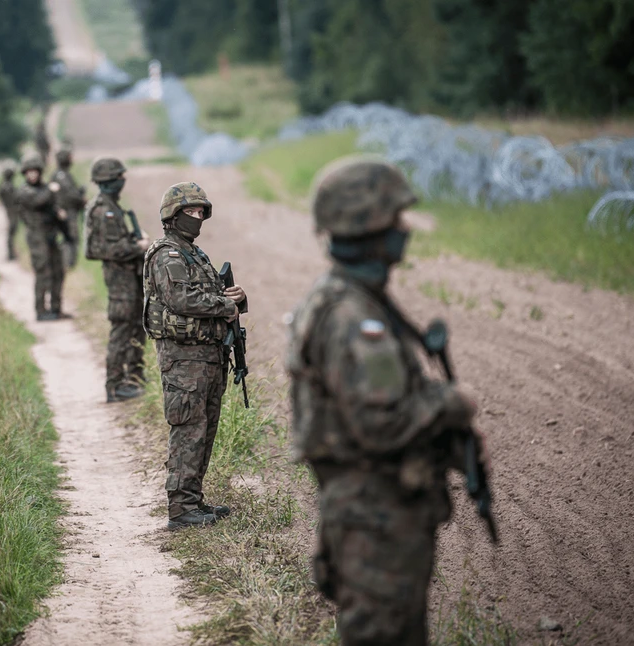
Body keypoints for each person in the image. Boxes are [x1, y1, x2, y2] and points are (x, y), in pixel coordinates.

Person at [285, 156, 484, 645]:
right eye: (395, 221)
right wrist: (451, 403)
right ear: (370, 229)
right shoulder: (355, 317)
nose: (403, 232)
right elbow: (383, 424)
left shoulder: (346, 296)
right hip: (375, 519)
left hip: (370, 514)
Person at [143, 182, 247, 530]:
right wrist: (225, 305)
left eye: (202, 211)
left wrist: (235, 297)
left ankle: (193, 500)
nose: (198, 217)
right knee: (188, 428)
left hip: (207, 356)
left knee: (205, 428)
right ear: (173, 216)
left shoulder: (193, 253)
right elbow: (181, 301)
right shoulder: (167, 255)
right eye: (191, 211)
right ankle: (181, 509)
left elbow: (212, 295)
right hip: (184, 359)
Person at [84, 157, 149, 403]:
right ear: (109, 181)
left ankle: (133, 378)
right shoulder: (103, 211)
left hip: (129, 279)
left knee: (134, 326)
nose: (123, 181)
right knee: (121, 329)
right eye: (119, 177)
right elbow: (100, 249)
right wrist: (137, 246)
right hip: (120, 281)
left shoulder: (113, 206)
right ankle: (114, 386)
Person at [15, 154, 70, 321]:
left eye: (35, 172)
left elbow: (52, 206)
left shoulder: (45, 188)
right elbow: (37, 201)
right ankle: (41, 310)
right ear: (24, 174)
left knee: (58, 272)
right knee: (42, 273)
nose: (32, 175)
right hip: (37, 237)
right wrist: (50, 191)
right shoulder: (24, 191)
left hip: (50, 235)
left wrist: (60, 215)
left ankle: (56, 308)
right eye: (28, 172)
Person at [50, 146, 87, 269]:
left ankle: (67, 264)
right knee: (70, 238)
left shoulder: (60, 174)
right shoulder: (62, 176)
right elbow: (71, 194)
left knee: (70, 239)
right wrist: (81, 198)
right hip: (67, 212)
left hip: (67, 211)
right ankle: (67, 264)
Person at [0, 167, 18, 261]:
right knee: (11, 231)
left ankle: (11, 252)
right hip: (11, 210)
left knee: (11, 232)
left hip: (9, 209)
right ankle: (10, 253)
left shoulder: (3, 186)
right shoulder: (9, 187)